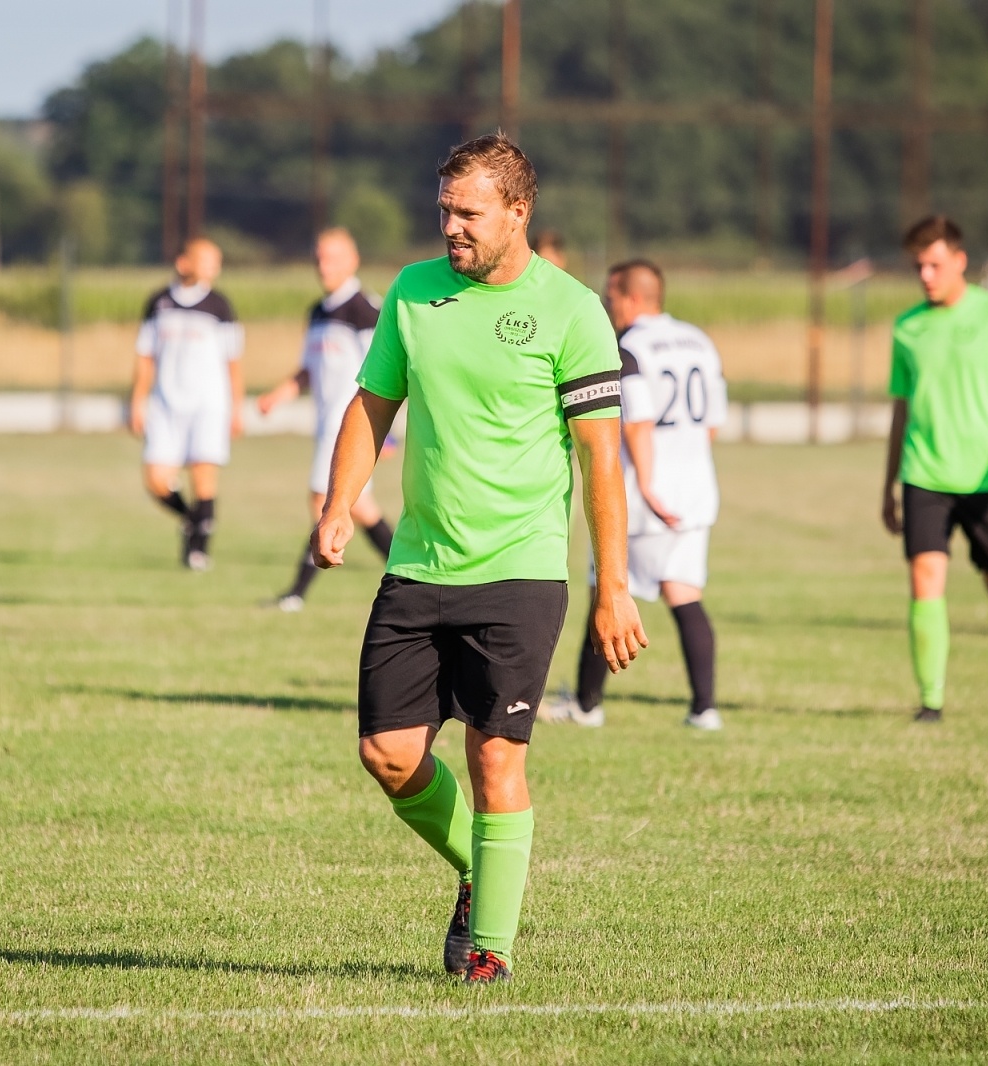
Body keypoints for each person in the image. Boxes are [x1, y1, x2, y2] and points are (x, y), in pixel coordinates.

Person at [312, 133, 647, 983]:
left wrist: (615, 586)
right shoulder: (414, 293)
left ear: (518, 212)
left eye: (468, 212)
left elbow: (599, 461)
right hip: (419, 564)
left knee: (496, 757)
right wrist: (338, 502)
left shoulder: (572, 310)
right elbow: (371, 403)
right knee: (386, 753)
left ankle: (488, 953)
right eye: (443, 210)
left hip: (522, 571)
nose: (450, 226)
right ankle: (481, 869)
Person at [545, 259, 728, 730]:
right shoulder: (698, 341)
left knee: (603, 590)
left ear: (630, 298)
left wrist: (646, 483)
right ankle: (704, 709)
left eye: (610, 297)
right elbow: (711, 424)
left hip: (645, 495)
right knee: (685, 594)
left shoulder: (628, 347)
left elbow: (639, 422)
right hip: (695, 491)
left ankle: (587, 705)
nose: (607, 307)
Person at [881, 215, 988, 722]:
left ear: (959, 261)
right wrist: (887, 485)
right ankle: (930, 703)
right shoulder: (907, 327)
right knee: (925, 579)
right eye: (918, 267)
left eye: (934, 264)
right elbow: (901, 411)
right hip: (924, 474)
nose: (926, 275)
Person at [257, 228, 394, 611]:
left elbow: (389, 375)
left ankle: (296, 593)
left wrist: (389, 436)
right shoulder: (318, 312)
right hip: (325, 427)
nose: (323, 265)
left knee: (324, 499)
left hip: (350, 426)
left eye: (332, 257)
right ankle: (408, 575)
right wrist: (278, 395)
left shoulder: (365, 311)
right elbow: (308, 370)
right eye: (318, 257)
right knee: (361, 509)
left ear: (353, 261)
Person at [129, 237, 245, 571]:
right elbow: (145, 356)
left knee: (203, 477)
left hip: (208, 405)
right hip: (165, 404)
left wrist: (236, 408)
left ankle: (197, 551)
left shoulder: (220, 306)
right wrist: (138, 400)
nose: (213, 268)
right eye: (206, 260)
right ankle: (192, 519)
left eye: (216, 261)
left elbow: (233, 362)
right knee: (155, 479)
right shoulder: (159, 302)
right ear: (184, 263)